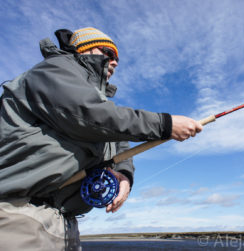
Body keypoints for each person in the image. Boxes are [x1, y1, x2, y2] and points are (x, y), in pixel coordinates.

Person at [0, 27, 202, 250]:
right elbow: (92, 116)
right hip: (18, 215)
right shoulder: (54, 70)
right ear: (83, 50)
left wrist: (124, 175)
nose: (115, 62)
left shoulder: (97, 98)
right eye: (109, 53)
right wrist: (166, 124)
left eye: (117, 58)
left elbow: (116, 141)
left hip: (64, 223)